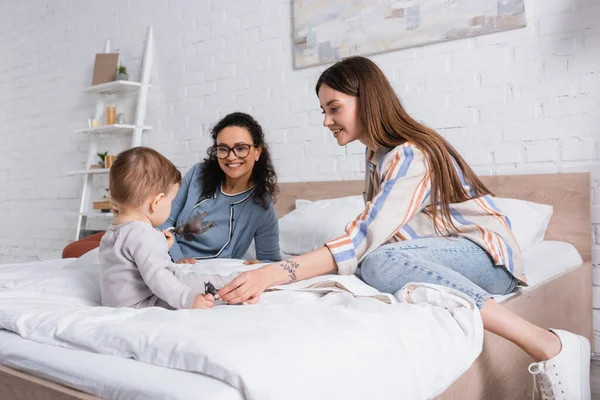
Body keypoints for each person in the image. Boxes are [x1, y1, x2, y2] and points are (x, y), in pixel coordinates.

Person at [217, 56, 590, 398]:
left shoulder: (412, 154)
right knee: (374, 262)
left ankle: (546, 343)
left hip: (489, 259)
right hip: (439, 257)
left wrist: (280, 272)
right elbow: (375, 232)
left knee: (377, 263)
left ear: (368, 100)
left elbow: (364, 238)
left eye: (334, 109)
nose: (326, 121)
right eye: (323, 110)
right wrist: (287, 268)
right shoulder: (376, 156)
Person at [98, 147, 216, 309]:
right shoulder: (143, 233)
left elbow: (133, 257)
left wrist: (161, 245)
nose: (171, 205)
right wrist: (189, 299)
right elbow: (158, 277)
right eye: (171, 201)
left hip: (116, 304)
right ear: (157, 202)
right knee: (195, 284)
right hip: (140, 304)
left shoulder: (114, 230)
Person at [158, 112, 281, 265]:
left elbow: (271, 260)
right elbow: (163, 219)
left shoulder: (262, 205)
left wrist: (260, 266)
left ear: (257, 152)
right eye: (223, 149)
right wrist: (177, 259)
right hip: (167, 258)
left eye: (241, 148)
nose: (231, 157)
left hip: (212, 274)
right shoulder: (198, 174)